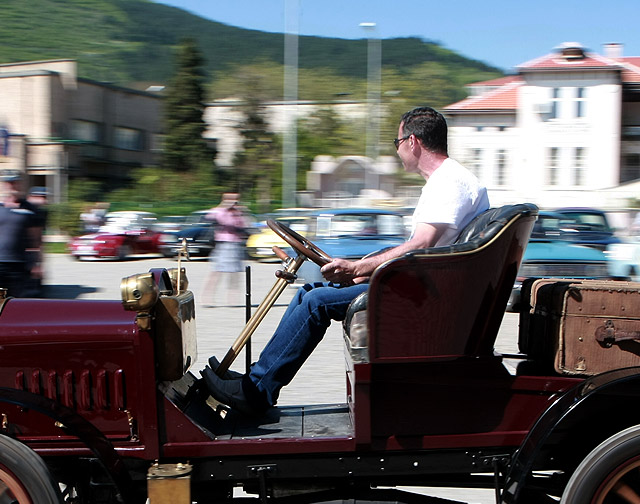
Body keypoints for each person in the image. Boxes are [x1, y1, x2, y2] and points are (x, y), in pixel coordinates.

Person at [202, 106, 489, 415]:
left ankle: (256, 391)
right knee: (309, 292)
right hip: (424, 288)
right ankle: (259, 382)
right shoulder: (448, 180)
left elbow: (420, 245)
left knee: (317, 302)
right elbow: (420, 250)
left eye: (397, 143)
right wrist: (364, 275)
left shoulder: (448, 183)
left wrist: (359, 269)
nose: (397, 151)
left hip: (425, 298)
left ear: (413, 142)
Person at [0, 171, 42, 299]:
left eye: (15, 182)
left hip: (19, 264)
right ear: (3, 185)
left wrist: (37, 264)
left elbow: (36, 239)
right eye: (8, 183)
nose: (12, 186)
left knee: (17, 303)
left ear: (20, 184)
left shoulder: (30, 209)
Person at [202, 192, 249, 306]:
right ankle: (206, 299)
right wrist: (224, 206)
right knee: (216, 273)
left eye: (235, 200)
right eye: (230, 200)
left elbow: (245, 225)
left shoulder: (238, 213)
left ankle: (232, 300)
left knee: (234, 275)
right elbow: (209, 217)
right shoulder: (219, 211)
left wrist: (241, 213)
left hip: (235, 244)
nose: (233, 203)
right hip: (223, 244)